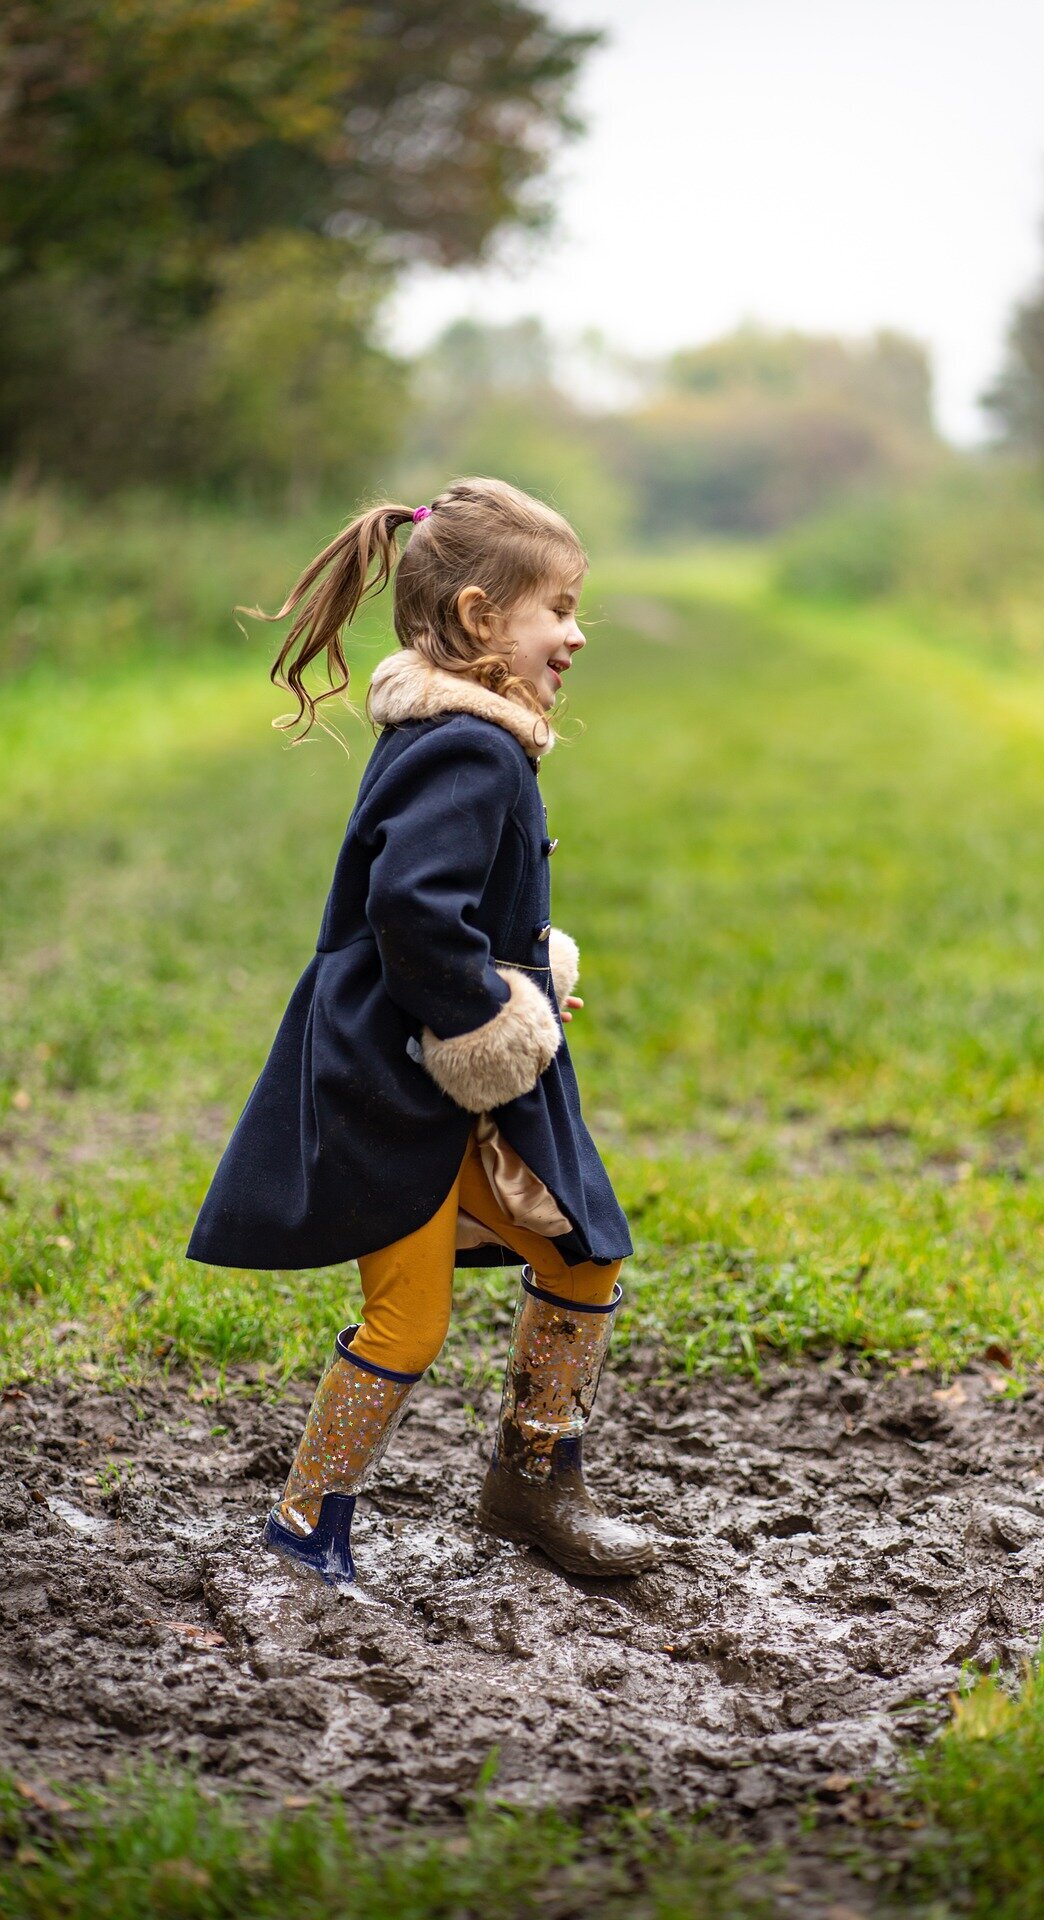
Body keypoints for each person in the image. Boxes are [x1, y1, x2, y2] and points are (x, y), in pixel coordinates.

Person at [187, 478, 654, 1585]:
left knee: (582, 1252)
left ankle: (532, 1484)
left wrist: (528, 975)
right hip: (397, 1089)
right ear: (484, 617)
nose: (576, 634)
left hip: (440, 1079)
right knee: (407, 1322)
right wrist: (489, 1018)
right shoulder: (471, 748)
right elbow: (409, 912)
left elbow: (452, 912)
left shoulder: (464, 734)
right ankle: (307, 1529)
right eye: (560, 609)